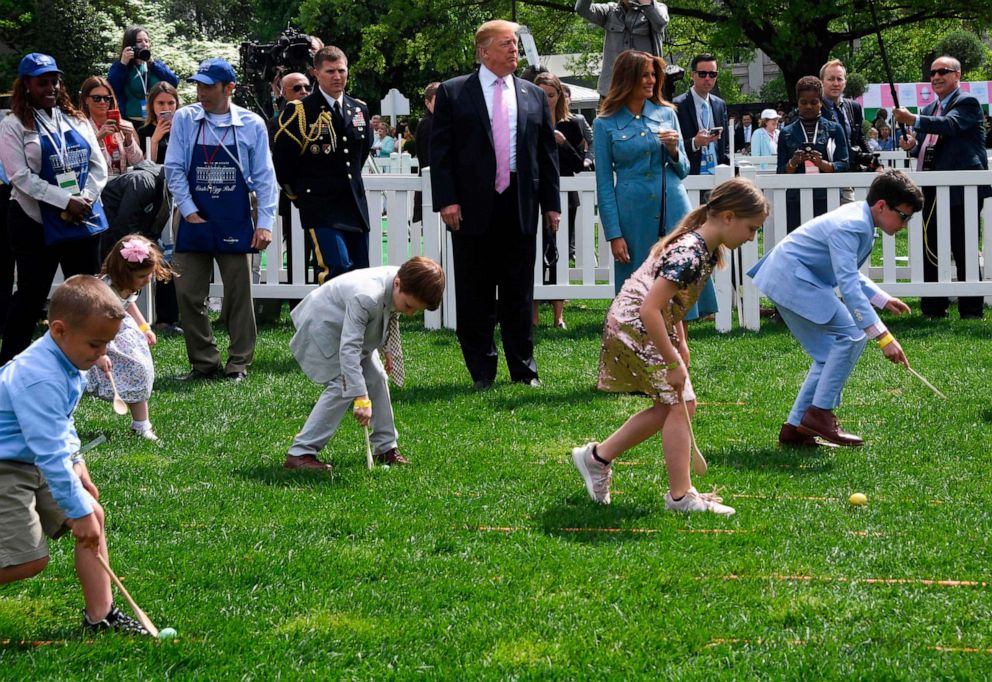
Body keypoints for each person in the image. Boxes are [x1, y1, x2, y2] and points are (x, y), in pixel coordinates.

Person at [571, 177, 768, 514]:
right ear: (729, 217)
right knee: (681, 404)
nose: (752, 238)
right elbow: (650, 307)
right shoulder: (690, 252)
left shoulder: (702, 247)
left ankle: (596, 457)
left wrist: (681, 342)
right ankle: (680, 496)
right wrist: (672, 361)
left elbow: (671, 302)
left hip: (642, 322)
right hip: (635, 325)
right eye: (751, 228)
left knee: (672, 403)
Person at [0, 275, 148, 634]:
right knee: (27, 561)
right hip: (7, 466)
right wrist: (75, 510)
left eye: (107, 345)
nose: (102, 354)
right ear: (59, 330)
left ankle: (101, 617)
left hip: (33, 457)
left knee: (94, 516)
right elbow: (49, 451)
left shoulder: (70, 362)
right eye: (95, 344)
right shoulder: (39, 376)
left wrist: (78, 463)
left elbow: (61, 423)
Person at [748, 170, 923, 447]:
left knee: (828, 355)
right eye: (903, 216)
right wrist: (883, 337)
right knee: (853, 334)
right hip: (793, 279)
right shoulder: (852, 224)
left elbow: (848, 271)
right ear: (881, 206)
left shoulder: (860, 218)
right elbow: (848, 284)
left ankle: (795, 429)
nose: (904, 224)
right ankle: (819, 413)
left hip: (789, 278)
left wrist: (881, 298)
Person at [430, 20, 561, 390]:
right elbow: (440, 154)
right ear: (483, 50)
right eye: (506, 44)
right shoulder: (455, 93)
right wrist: (447, 200)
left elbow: (545, 155)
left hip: (520, 202)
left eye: (515, 44)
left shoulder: (533, 95)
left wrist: (551, 205)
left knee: (519, 292)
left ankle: (524, 370)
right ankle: (482, 371)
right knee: (475, 292)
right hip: (471, 207)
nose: (514, 50)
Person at [163, 57, 278, 382]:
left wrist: (265, 223)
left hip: (235, 214)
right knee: (187, 292)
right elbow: (173, 167)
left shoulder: (252, 124)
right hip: (193, 215)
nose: (201, 92)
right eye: (198, 85)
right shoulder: (186, 118)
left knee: (239, 292)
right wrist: (187, 209)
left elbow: (265, 176)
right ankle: (204, 362)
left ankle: (238, 364)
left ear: (229, 88)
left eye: (208, 86)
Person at [285, 256, 445, 470]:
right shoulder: (367, 295)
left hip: (352, 330)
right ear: (398, 284)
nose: (409, 313)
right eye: (409, 306)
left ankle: (385, 448)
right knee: (341, 385)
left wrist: (386, 348)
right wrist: (360, 397)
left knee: (377, 377)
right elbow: (349, 350)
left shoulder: (404, 277)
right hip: (323, 325)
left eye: (415, 310)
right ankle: (300, 453)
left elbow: (391, 312)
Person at [0, 54, 109, 364]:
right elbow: (19, 176)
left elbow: (97, 166)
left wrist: (84, 199)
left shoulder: (76, 118)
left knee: (86, 296)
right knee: (31, 297)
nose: (50, 86)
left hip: (81, 220)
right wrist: (64, 201)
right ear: (26, 85)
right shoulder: (13, 124)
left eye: (54, 80)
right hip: (33, 221)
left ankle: (86, 361)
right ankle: (9, 364)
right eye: (41, 81)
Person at [893, 55, 989, 320]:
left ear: (958, 75)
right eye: (932, 73)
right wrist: (913, 145)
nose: (935, 77)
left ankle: (971, 309)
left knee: (965, 246)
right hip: (932, 188)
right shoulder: (931, 109)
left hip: (962, 189)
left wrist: (913, 119)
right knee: (930, 245)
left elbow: (951, 126)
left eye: (943, 72)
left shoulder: (967, 102)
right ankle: (933, 308)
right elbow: (929, 144)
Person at [594, 51, 693, 298]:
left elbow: (684, 170)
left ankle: (681, 339)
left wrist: (673, 150)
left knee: (678, 279)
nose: (651, 80)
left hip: (673, 207)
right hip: (632, 215)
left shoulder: (667, 114)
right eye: (644, 75)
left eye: (653, 75)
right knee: (637, 289)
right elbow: (604, 183)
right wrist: (614, 234)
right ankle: (640, 338)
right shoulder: (604, 124)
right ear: (627, 78)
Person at [272, 46, 375, 284]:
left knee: (360, 273)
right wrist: (300, 197)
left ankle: (353, 322)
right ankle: (329, 322)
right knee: (336, 269)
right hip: (321, 206)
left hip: (354, 204)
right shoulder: (300, 111)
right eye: (330, 71)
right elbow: (284, 161)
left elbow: (361, 152)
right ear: (315, 73)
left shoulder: (358, 109)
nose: (337, 77)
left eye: (341, 70)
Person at [85, 236, 171, 441]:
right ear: (124, 272)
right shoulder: (104, 293)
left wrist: (144, 327)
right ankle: (57, 419)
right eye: (143, 276)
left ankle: (141, 425)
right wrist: (99, 354)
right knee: (76, 381)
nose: (147, 280)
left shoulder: (126, 286)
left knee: (140, 370)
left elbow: (129, 303)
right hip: (98, 337)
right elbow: (94, 327)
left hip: (122, 332)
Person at [533, 71, 585, 330]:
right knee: (532, 253)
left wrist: (563, 143)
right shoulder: (528, 122)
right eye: (541, 95)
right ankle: (533, 315)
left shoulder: (571, 125)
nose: (547, 100)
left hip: (565, 196)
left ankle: (558, 315)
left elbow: (579, 164)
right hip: (534, 195)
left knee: (559, 253)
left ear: (560, 97)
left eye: (551, 95)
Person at [778, 76, 849, 232]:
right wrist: (793, 162)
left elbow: (844, 164)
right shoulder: (786, 133)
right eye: (804, 102)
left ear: (821, 103)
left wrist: (822, 164)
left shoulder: (835, 129)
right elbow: (780, 172)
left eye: (814, 102)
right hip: (795, 200)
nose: (809, 106)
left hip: (827, 197)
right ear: (797, 103)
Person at [575, 0, 669, 98]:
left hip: (644, 90)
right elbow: (582, 9)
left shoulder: (657, 8)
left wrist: (646, 4)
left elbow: (660, 23)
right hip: (612, 91)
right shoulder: (610, 11)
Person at [107, 26, 179, 128]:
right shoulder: (121, 66)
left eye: (146, 41)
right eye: (139, 41)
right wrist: (122, 64)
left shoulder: (156, 65)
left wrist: (153, 64)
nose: (144, 44)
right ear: (130, 45)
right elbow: (111, 89)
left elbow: (174, 83)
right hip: (132, 122)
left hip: (157, 122)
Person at [673, 53, 730, 176]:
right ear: (693, 75)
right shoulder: (677, 105)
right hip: (690, 175)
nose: (708, 78)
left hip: (717, 174)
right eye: (702, 74)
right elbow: (672, 147)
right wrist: (695, 142)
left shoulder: (720, 105)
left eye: (712, 74)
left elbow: (725, 144)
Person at [411, 82, 439, 224]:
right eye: (438, 100)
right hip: (430, 185)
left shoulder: (439, 122)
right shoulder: (429, 124)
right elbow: (429, 159)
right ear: (427, 103)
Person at [136, 81, 179, 164]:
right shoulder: (143, 130)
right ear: (152, 105)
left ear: (176, 104)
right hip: (156, 175)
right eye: (161, 103)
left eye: (171, 103)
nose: (166, 108)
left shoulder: (183, 126)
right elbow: (145, 166)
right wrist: (154, 140)